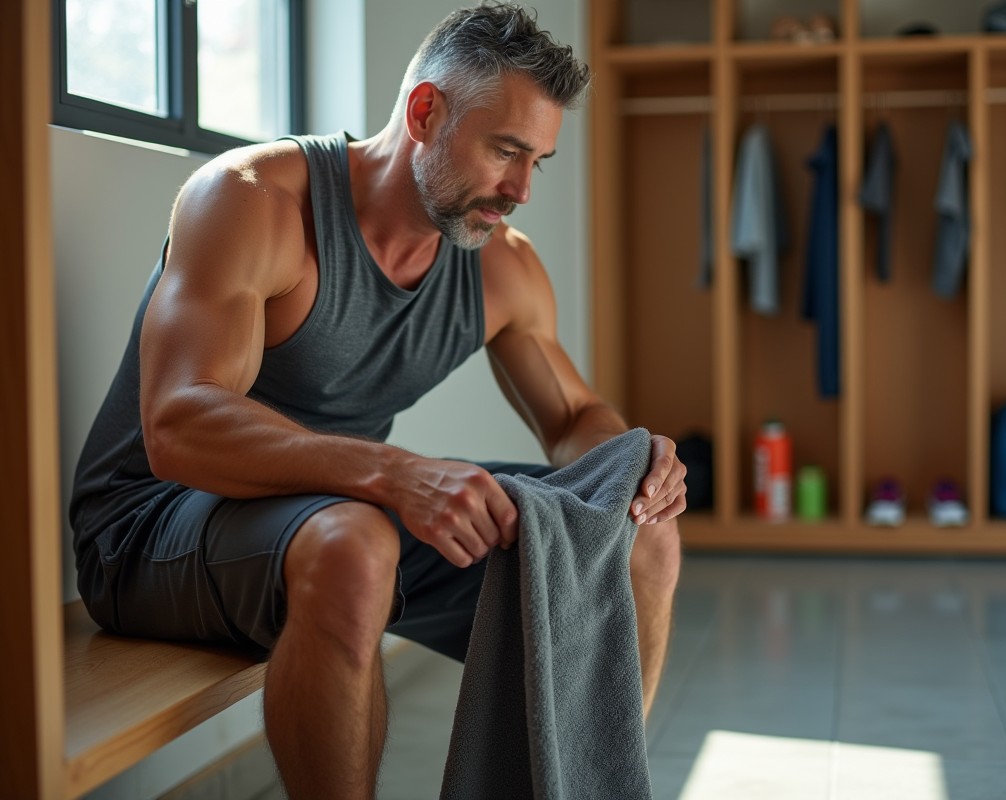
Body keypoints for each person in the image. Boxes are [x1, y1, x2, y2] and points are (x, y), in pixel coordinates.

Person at [69, 5, 685, 799]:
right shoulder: (255, 200)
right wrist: (396, 475)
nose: (522, 189)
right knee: (356, 544)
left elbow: (571, 420)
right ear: (425, 113)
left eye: (539, 161)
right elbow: (179, 426)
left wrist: (635, 463)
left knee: (640, 539)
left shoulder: (501, 266)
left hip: (336, 508)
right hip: (151, 527)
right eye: (505, 151)